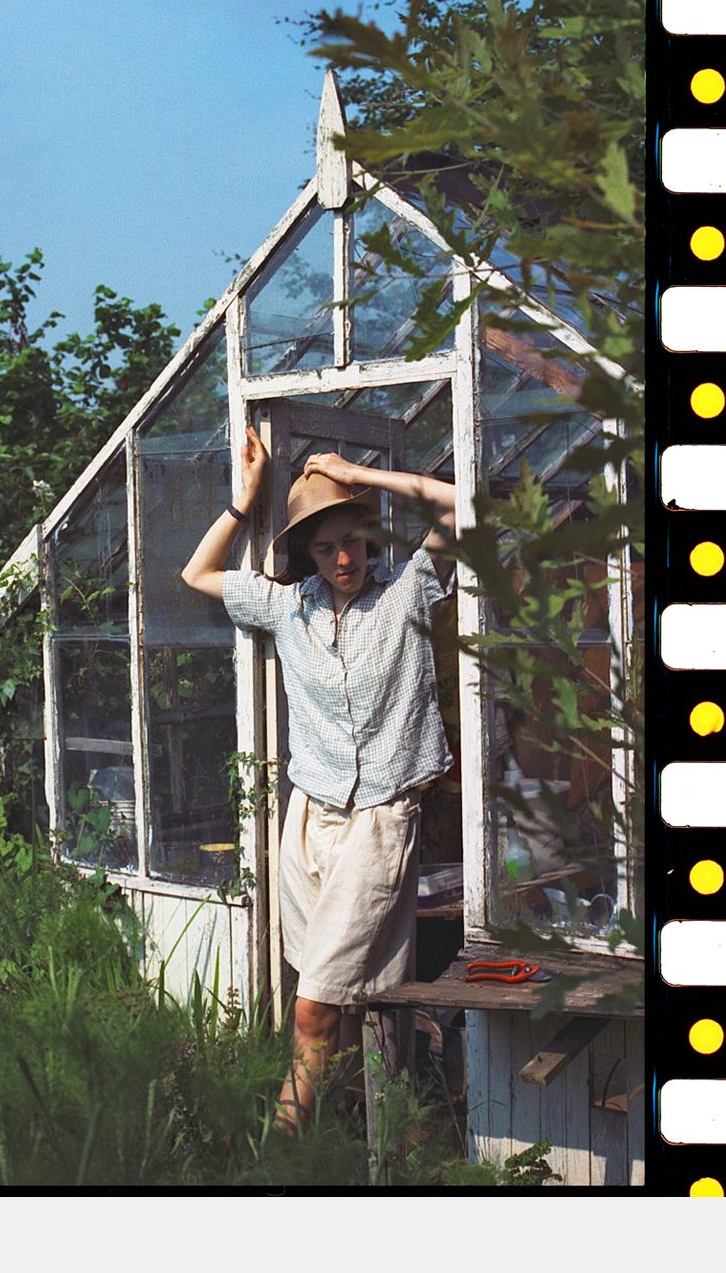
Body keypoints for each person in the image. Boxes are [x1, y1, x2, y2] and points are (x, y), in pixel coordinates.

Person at [181, 424, 456, 1130]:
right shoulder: (288, 607)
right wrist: (246, 498)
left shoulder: (406, 596)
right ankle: (358, 1140)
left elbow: (464, 508)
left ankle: (276, 1158)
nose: (343, 558)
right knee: (332, 999)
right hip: (309, 818)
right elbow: (197, 575)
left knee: (311, 1008)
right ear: (306, 552)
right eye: (326, 545)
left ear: (370, 538)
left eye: (354, 540)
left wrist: (357, 473)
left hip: (379, 818)